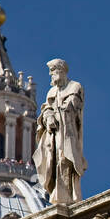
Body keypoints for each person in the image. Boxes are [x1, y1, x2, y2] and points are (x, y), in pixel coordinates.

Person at [33, 58, 87, 205]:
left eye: (53, 72)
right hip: (54, 136)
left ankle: (69, 196)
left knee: (65, 160)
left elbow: (74, 107)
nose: (51, 75)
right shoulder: (52, 91)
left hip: (67, 133)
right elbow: (46, 109)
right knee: (52, 163)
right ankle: (58, 195)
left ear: (61, 71)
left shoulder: (75, 87)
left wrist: (61, 111)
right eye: (50, 73)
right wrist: (49, 116)